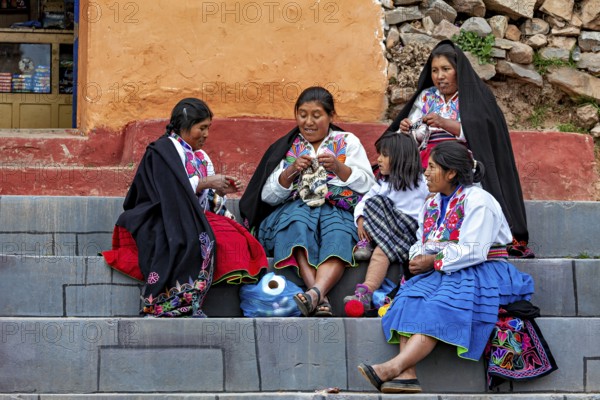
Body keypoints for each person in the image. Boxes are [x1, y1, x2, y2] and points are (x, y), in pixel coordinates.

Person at [357, 141, 534, 393]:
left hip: (483, 269)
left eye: (431, 167)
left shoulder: (478, 200)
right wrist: (419, 257)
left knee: (440, 304)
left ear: (451, 172)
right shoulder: (431, 204)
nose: (425, 173)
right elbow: (421, 240)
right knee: (408, 297)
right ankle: (407, 375)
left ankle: (392, 367)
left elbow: (474, 249)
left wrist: (433, 260)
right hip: (442, 269)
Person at [102, 98, 268, 317]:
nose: (206, 134)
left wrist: (218, 192)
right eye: (202, 128)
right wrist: (206, 183)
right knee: (189, 239)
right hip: (160, 214)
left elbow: (201, 200)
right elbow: (166, 191)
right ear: (184, 125)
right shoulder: (162, 150)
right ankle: (170, 301)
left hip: (191, 215)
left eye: (208, 128)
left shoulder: (201, 157)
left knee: (235, 236)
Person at [388, 39, 534, 258]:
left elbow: (482, 133)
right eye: (435, 70)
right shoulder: (426, 97)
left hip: (463, 164)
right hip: (427, 162)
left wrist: (445, 123)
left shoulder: (476, 96)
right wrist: (407, 130)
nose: (439, 76)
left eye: (446, 69)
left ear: (458, 70)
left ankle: (458, 245)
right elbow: (416, 134)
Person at [239, 86, 376, 317]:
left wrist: (339, 167)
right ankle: (319, 296)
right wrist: (290, 171)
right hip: (297, 208)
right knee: (295, 224)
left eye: (316, 115)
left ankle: (313, 294)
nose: (308, 122)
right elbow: (267, 196)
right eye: (302, 115)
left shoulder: (347, 141)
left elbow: (369, 185)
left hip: (338, 207)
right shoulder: (289, 146)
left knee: (339, 232)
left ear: (331, 117)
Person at [344, 131, 429, 317]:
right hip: (389, 240)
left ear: (400, 158)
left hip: (410, 236)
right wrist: (360, 220)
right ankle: (365, 293)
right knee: (380, 248)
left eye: (384, 155)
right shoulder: (382, 184)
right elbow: (363, 204)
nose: (379, 159)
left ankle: (372, 243)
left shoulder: (423, 183)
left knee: (377, 204)